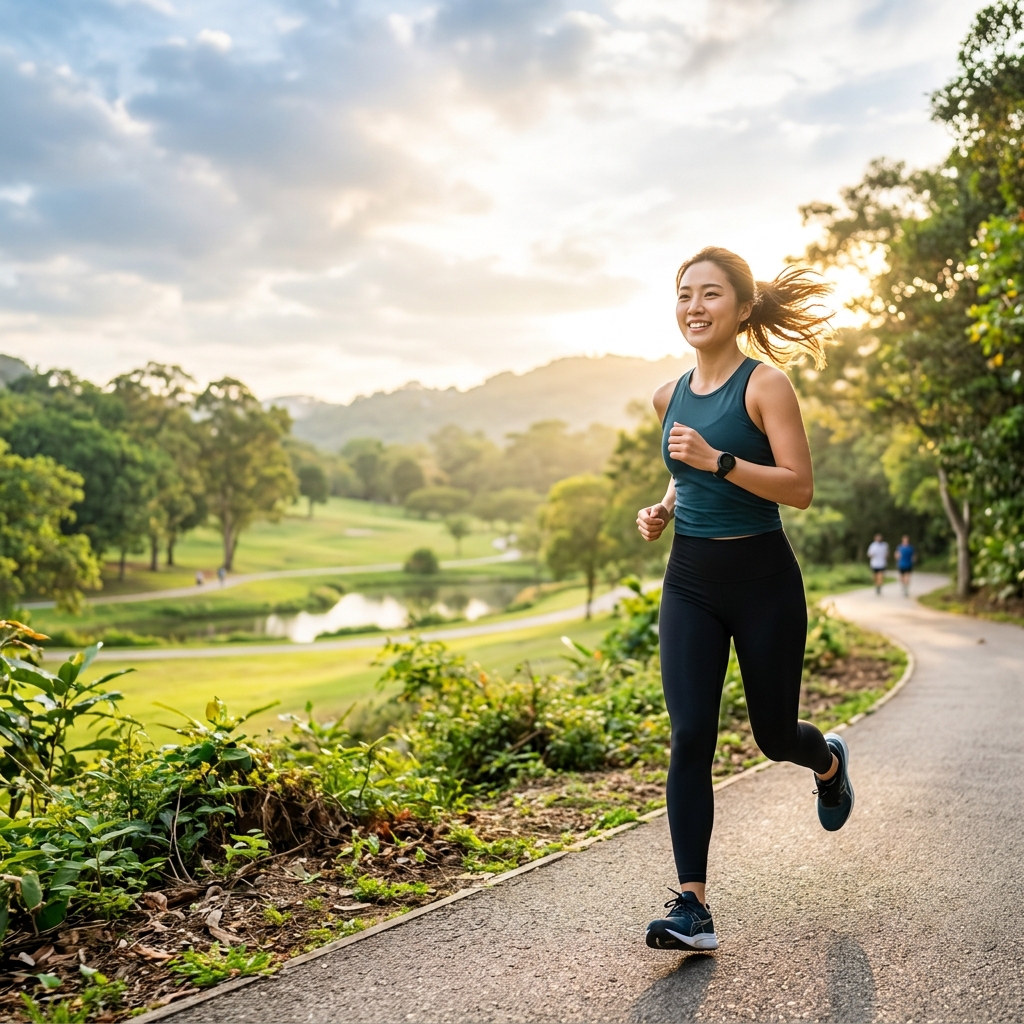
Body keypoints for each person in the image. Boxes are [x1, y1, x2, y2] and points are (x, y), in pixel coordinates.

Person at [635, 246, 853, 954]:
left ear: (742, 307)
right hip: (690, 581)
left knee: (771, 736)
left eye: (709, 295)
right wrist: (666, 504)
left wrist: (718, 461)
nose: (693, 307)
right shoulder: (669, 395)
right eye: (683, 294)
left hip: (763, 582)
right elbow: (685, 470)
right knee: (691, 733)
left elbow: (798, 487)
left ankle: (825, 762)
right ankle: (692, 906)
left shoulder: (767, 386)